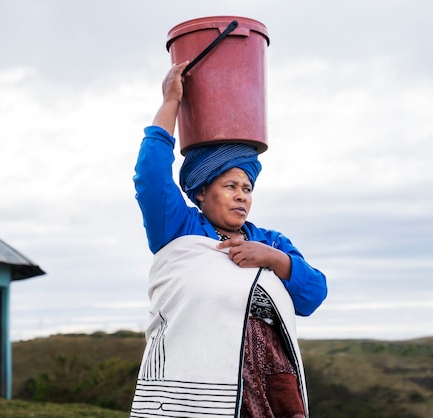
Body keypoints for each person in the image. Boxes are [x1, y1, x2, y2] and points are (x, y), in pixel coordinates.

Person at [130, 62, 328, 418]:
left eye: (247, 188)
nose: (242, 196)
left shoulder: (271, 241)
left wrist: (272, 259)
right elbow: (150, 176)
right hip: (200, 384)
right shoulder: (180, 228)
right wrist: (170, 103)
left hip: (271, 386)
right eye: (230, 186)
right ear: (202, 192)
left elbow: (313, 294)